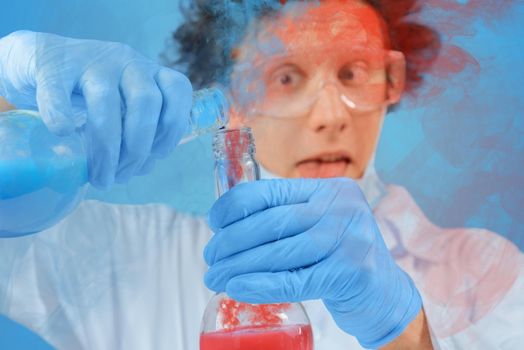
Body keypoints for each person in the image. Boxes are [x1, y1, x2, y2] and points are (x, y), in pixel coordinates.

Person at [0, 1, 522, 349]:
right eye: (287, 76)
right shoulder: (126, 257)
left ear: (392, 84)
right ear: (234, 99)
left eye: (352, 74)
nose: (329, 116)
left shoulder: (483, 269)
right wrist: (7, 79)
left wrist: (404, 330)